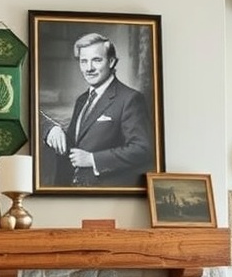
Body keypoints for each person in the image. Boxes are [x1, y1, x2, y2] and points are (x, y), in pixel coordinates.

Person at [44, 32, 154, 188]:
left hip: (105, 195)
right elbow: (76, 144)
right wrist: (52, 129)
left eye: (96, 60)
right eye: (83, 61)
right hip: (73, 193)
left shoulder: (130, 99)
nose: (88, 68)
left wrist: (93, 159)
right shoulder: (82, 100)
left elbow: (142, 149)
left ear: (111, 62)